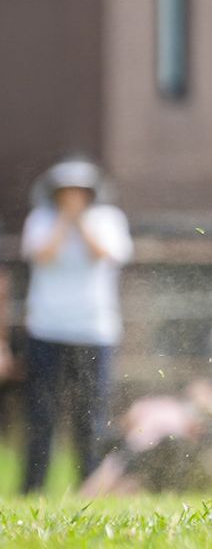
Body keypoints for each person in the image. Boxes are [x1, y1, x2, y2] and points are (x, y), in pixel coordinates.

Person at [19, 157, 132, 493]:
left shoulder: (109, 219)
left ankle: (90, 486)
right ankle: (33, 487)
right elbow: (42, 255)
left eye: (78, 192)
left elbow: (106, 254)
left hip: (94, 331)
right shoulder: (40, 219)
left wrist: (79, 222)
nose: (71, 198)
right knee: (41, 414)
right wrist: (62, 222)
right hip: (46, 328)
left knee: (90, 414)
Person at [82, 312, 212, 495]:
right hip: (192, 456)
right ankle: (94, 497)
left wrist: (210, 404)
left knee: (140, 455)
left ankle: (89, 497)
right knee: (138, 452)